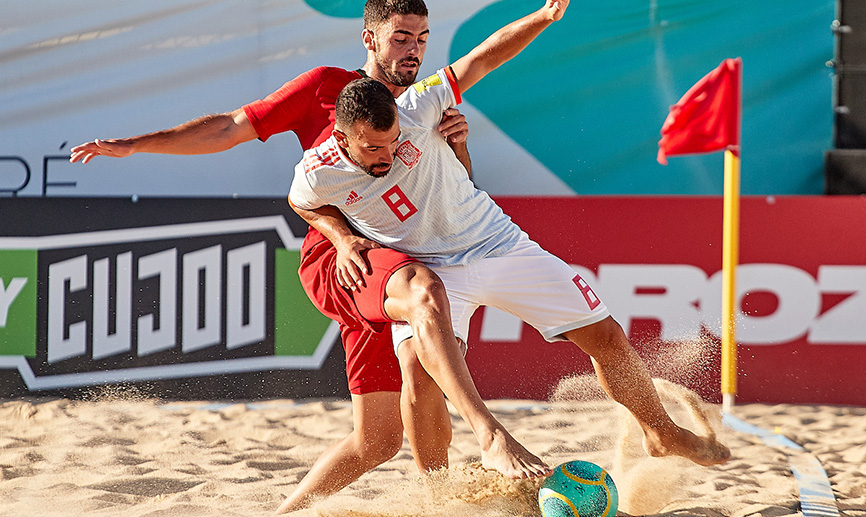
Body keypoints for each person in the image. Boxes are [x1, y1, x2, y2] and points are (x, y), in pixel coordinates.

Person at [70, 1, 552, 513]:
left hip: (405, 258)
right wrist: (136, 146)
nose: (413, 50)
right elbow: (232, 127)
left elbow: (458, 179)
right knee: (421, 327)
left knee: (377, 441)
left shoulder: (426, 104)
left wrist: (459, 147)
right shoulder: (327, 87)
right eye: (401, 38)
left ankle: (283, 513)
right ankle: (455, 480)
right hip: (352, 261)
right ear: (370, 39)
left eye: (422, 39)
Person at [288, 0, 732, 494]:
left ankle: (661, 431)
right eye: (375, 148)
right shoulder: (317, 170)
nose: (388, 155)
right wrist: (341, 236)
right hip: (429, 268)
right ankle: (441, 489)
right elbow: (302, 201)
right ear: (343, 138)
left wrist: (544, 16)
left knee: (605, 336)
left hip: (495, 243)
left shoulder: (419, 105)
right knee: (417, 373)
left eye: (394, 141)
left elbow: (483, 59)